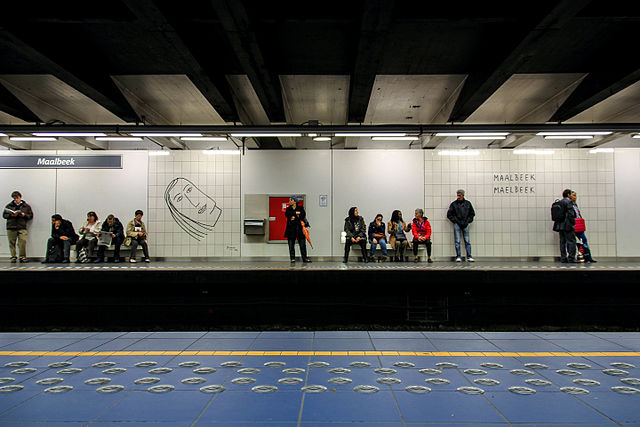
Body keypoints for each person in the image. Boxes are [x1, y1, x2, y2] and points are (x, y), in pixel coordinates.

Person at [3, 191, 33, 263]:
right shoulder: (9, 206)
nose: (16, 199)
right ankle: (13, 257)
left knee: (22, 242)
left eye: (17, 198)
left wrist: (24, 215)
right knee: (12, 243)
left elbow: (30, 216)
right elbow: (4, 215)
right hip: (11, 226)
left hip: (21, 226)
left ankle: (22, 257)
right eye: (14, 198)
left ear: (20, 197)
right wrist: (11, 215)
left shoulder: (26, 206)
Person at [447, 189, 475, 262]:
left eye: (459, 195)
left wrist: (468, 221)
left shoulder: (468, 204)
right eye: (457, 195)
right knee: (457, 241)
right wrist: (456, 221)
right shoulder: (453, 204)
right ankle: (458, 256)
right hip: (458, 224)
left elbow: (472, 214)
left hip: (465, 224)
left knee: (467, 241)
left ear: (463, 195)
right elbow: (449, 215)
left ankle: (469, 256)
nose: (458, 197)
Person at [569, 191, 596, 263]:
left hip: (578, 225)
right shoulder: (569, 205)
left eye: (575, 195)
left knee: (584, 240)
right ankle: (571, 257)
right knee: (571, 241)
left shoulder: (575, 205)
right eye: (573, 195)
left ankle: (587, 256)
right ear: (570, 196)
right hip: (572, 225)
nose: (575, 197)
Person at [553, 189, 577, 263]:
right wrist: (573, 223)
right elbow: (571, 214)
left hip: (559, 225)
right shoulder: (569, 202)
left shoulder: (559, 202)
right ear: (568, 195)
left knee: (562, 242)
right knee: (571, 241)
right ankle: (571, 258)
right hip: (567, 225)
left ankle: (563, 258)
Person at [284, 196, 311, 263]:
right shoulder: (288, 209)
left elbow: (303, 215)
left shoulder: (300, 208)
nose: (289, 201)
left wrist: (293, 216)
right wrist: (296, 213)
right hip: (291, 229)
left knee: (302, 245)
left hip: (299, 229)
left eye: (291, 200)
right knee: (291, 245)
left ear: (295, 201)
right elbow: (287, 214)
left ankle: (304, 258)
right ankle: (292, 258)